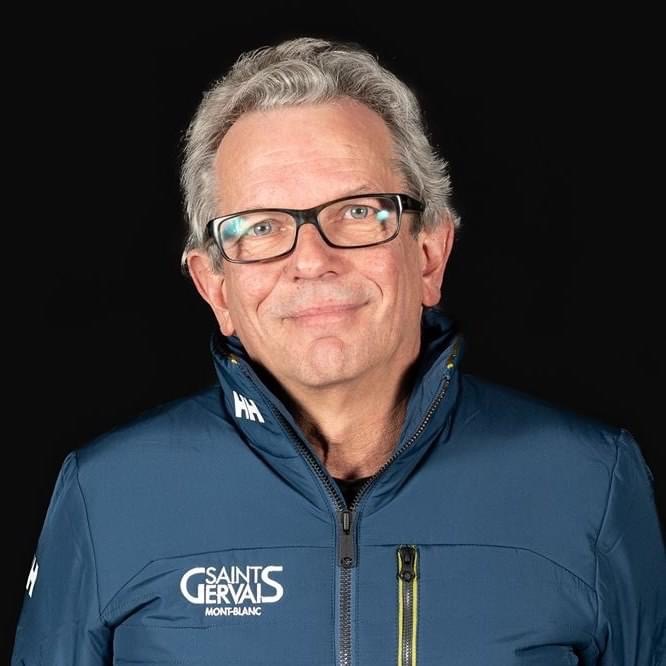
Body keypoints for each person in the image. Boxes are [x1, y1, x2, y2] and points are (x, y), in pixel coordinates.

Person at [12, 36, 665, 665]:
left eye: (357, 212)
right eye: (261, 226)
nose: (312, 260)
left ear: (430, 254)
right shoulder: (107, 497)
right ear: (215, 287)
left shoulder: (592, 484)